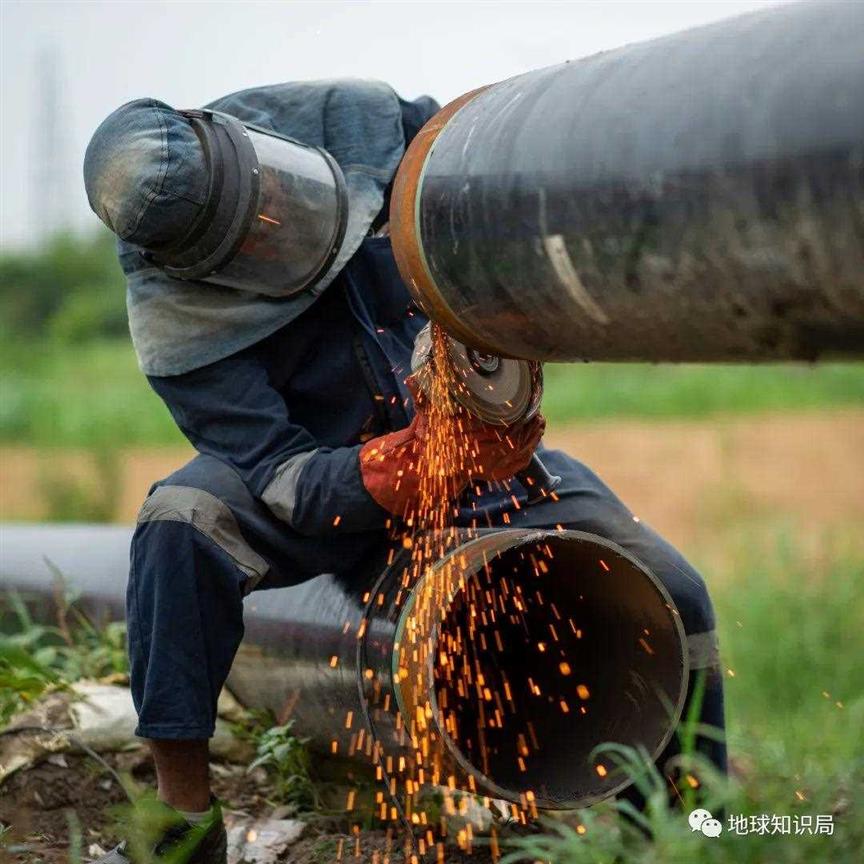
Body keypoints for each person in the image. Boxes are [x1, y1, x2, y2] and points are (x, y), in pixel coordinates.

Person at [83, 80, 725, 863]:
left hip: (493, 461)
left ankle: (698, 828)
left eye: (271, 204)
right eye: (244, 241)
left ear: (242, 144)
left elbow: (475, 157)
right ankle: (181, 819)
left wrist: (509, 335)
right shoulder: (182, 334)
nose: (273, 227)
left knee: (674, 590)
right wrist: (408, 466)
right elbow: (288, 481)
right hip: (335, 488)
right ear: (190, 262)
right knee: (181, 520)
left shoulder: (357, 124)